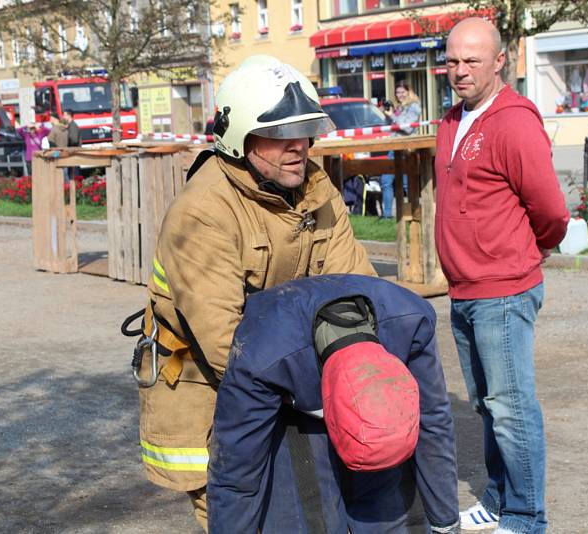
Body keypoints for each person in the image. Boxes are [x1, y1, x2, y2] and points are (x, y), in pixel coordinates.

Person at [130, 55, 376, 532]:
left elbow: (359, 290)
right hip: (210, 393)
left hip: (287, 382)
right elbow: (225, 342)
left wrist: (361, 369)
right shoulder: (202, 212)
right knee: (237, 516)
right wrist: (321, 391)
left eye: (304, 132)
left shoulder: (316, 192)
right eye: (281, 135)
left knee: (301, 509)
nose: (298, 147)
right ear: (238, 138)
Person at [435, 17, 569, 534]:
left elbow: (551, 210)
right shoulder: (451, 121)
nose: (460, 71)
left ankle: (526, 516)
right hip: (464, 289)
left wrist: (529, 250)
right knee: (489, 410)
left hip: (504, 292)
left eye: (472, 61)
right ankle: (497, 501)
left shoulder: (514, 121)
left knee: (512, 409)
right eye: (452, 61)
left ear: (499, 62)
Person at [207, 274, 459, 533]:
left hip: (351, 384)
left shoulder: (412, 321)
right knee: (308, 516)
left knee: (396, 516)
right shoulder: (260, 359)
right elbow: (236, 474)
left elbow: (434, 422)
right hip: (289, 403)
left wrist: (446, 522)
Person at [379, 81, 422, 218]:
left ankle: (412, 214)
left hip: (406, 149)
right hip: (394, 147)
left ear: (409, 92)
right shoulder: (399, 108)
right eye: (398, 92)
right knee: (386, 181)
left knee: (405, 184)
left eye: (403, 92)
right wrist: (387, 114)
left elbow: (407, 128)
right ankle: (387, 216)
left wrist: (392, 116)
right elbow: (391, 126)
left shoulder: (414, 107)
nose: (400, 95)